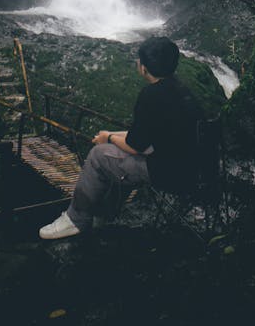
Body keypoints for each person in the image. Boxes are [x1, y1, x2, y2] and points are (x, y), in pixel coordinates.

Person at [39, 36, 202, 240]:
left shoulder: (151, 95)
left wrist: (107, 138)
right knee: (114, 150)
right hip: (195, 167)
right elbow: (147, 136)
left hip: (169, 174)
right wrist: (112, 136)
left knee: (99, 155)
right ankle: (106, 213)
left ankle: (76, 219)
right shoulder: (182, 89)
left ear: (143, 68)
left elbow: (135, 146)